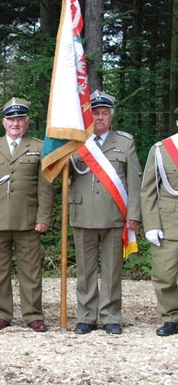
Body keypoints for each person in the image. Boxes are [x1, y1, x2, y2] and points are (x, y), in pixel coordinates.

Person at [0, 98, 54, 332]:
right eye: (11, 118)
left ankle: (33, 315)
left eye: (20, 118)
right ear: (4, 122)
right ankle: (1, 313)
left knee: (31, 270)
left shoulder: (40, 147)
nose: (15, 123)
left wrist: (44, 217)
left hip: (28, 219)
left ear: (27, 121)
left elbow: (46, 186)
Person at [69, 90, 141, 335]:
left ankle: (111, 316)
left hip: (113, 215)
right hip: (82, 213)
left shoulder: (124, 142)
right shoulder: (75, 143)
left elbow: (134, 181)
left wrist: (133, 215)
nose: (99, 117)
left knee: (112, 270)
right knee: (85, 270)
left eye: (104, 113)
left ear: (111, 116)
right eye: (95, 113)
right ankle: (86, 316)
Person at [141, 107, 178, 337]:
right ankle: (171, 317)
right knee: (165, 274)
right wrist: (152, 224)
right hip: (168, 223)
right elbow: (148, 191)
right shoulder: (161, 150)